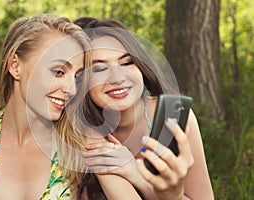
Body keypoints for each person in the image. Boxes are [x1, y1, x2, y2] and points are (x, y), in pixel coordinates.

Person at [74, 17, 214, 199]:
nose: (117, 77)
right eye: (99, 69)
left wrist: (137, 175)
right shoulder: (81, 127)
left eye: (126, 63)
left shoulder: (174, 114)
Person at [0, 14, 91, 199]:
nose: (72, 89)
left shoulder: (76, 145)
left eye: (77, 76)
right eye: (58, 72)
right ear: (15, 66)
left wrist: (135, 176)